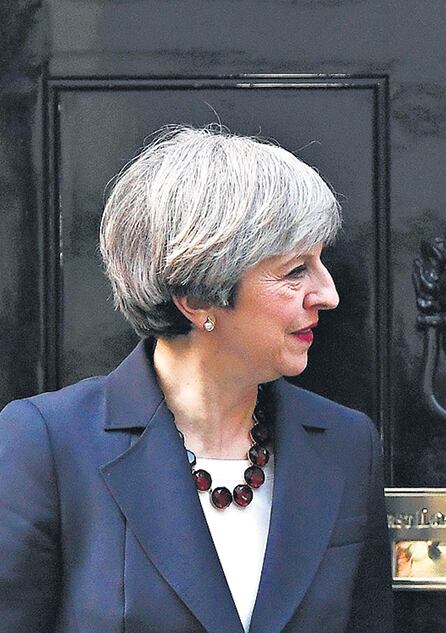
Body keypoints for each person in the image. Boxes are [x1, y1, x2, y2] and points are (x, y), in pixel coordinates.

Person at [0, 125, 393, 633]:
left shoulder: (346, 442)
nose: (328, 294)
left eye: (321, 262)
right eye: (296, 270)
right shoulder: (47, 443)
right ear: (199, 296)